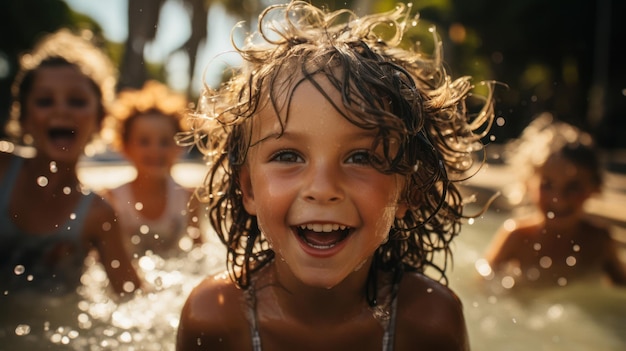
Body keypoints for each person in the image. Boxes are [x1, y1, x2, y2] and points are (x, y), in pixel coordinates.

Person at [176, 2, 496, 350]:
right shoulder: (215, 317)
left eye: (361, 157)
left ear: (409, 191)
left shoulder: (429, 323)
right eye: (288, 155)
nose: (323, 189)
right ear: (249, 187)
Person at [0, 29, 142, 297]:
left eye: (76, 101)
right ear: (24, 118)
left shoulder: (98, 215)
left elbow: (133, 297)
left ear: (100, 119)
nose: (61, 110)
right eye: (44, 101)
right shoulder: (1, 170)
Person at [482, 113, 626, 290]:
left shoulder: (599, 240)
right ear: (527, 183)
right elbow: (482, 286)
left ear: (594, 188)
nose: (558, 198)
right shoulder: (517, 237)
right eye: (547, 185)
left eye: (573, 186)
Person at [101, 80, 203, 260]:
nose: (155, 150)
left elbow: (200, 254)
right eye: (144, 142)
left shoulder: (189, 198)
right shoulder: (112, 199)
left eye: (164, 142)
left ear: (178, 146)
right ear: (124, 147)